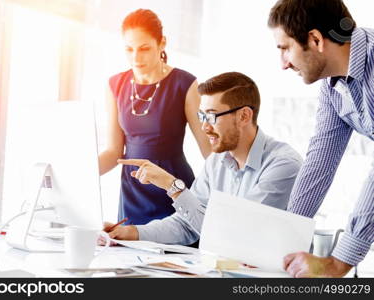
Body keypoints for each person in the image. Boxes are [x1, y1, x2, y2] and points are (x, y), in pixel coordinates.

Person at [103, 72, 302, 245]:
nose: (205, 127)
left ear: (244, 116)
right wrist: (130, 232)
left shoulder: (283, 165)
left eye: (212, 116)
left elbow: (237, 234)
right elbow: (187, 225)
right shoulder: (217, 162)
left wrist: (173, 186)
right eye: (202, 116)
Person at [268, 0, 374, 277]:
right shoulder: (332, 85)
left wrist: (339, 262)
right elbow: (320, 162)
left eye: (285, 49)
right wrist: (283, 243)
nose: (283, 64)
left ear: (315, 39)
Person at [98, 9, 211, 225]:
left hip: (172, 187)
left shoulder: (185, 84)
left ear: (162, 43)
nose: (136, 58)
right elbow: (114, 152)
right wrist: (79, 175)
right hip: (132, 191)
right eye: (129, 49)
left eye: (144, 48)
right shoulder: (115, 85)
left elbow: (208, 150)